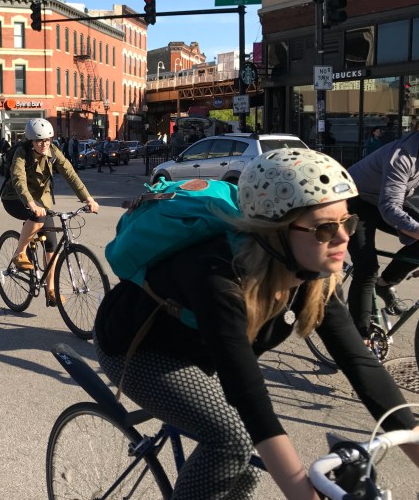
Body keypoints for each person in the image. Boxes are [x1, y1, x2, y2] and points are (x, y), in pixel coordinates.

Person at [94, 148, 419, 500]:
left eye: (348, 222)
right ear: (275, 231)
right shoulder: (219, 277)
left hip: (202, 347)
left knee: (242, 474)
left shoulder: (312, 274)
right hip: (139, 347)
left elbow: (360, 365)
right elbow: (249, 397)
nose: (343, 238)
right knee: (231, 439)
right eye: (325, 228)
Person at [0, 118, 99, 305]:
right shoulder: (21, 154)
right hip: (15, 198)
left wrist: (88, 198)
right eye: (39, 141)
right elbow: (18, 180)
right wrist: (30, 203)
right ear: (31, 141)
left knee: (52, 245)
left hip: (41, 201)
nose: (44, 144)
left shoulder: (53, 151)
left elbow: (70, 173)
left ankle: (51, 289)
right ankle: (19, 253)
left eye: (47, 140)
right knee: (38, 216)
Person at [345, 131, 419, 337]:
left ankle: (384, 284)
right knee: (367, 268)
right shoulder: (403, 155)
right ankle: (360, 336)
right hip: (354, 201)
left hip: (383, 198)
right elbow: (389, 208)